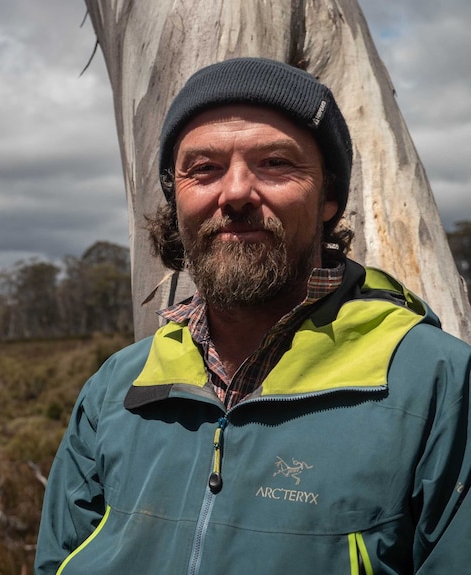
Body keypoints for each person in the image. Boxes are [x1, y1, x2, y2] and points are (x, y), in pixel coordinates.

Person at [34, 57, 471, 574]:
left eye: (275, 163)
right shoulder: (117, 389)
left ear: (329, 196)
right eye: (203, 169)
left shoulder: (437, 383)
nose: (236, 192)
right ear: (176, 199)